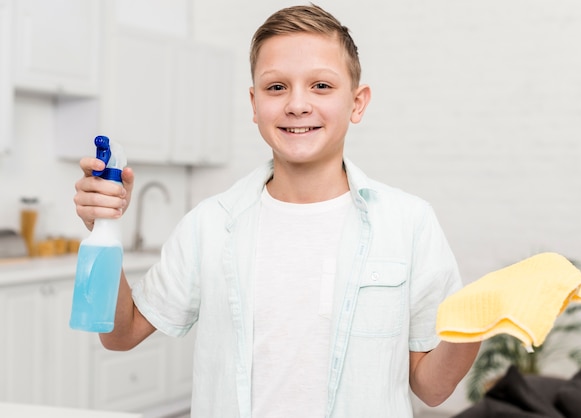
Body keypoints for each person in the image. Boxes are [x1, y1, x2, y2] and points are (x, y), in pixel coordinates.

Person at [74, 4, 480, 417]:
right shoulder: (210, 224)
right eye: (276, 87)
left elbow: (431, 389)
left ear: (357, 103)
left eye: (321, 86)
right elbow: (119, 335)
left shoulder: (408, 223)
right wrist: (101, 229)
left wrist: (479, 321)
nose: (297, 104)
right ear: (254, 104)